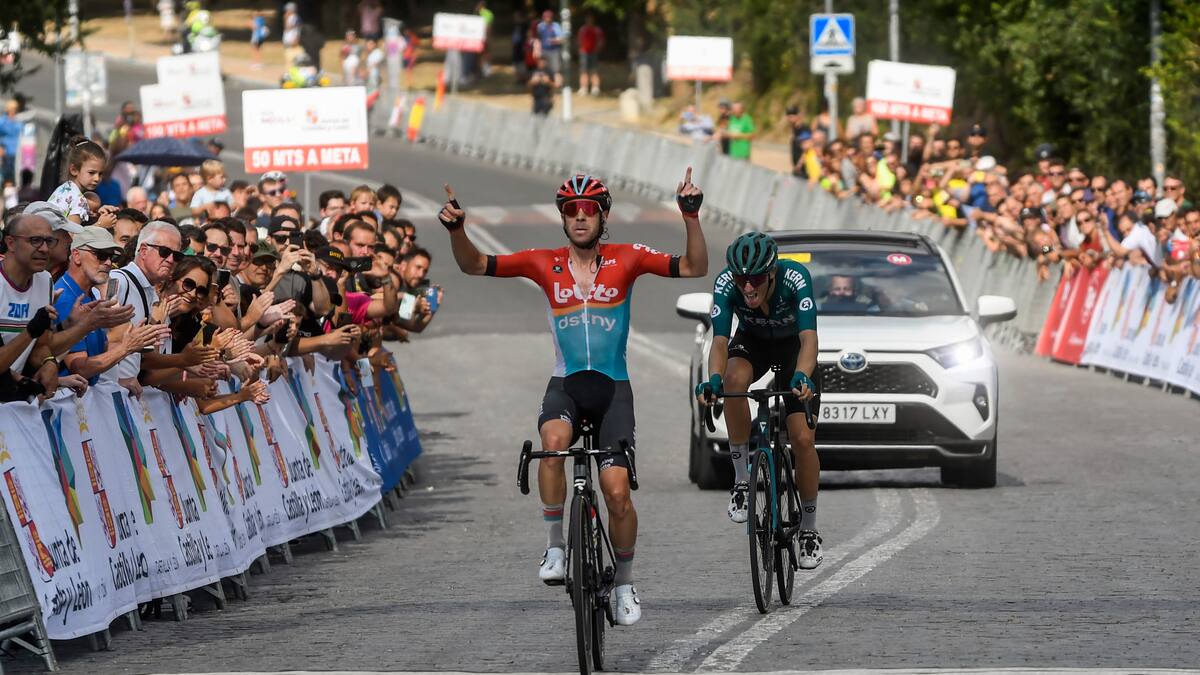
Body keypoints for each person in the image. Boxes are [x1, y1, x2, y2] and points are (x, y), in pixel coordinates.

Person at [436, 169, 708, 626]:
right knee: (552, 446)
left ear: (604, 217)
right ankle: (556, 548)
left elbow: (695, 267)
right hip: (565, 384)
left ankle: (623, 582)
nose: (580, 217)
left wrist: (691, 214)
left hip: (612, 389)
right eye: (570, 210)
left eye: (589, 210)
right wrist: (457, 230)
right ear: (562, 218)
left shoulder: (629, 258)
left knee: (617, 494)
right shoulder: (544, 263)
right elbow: (475, 265)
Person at [696, 231, 823, 570]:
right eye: (741, 279)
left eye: (754, 279)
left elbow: (810, 339)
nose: (747, 287)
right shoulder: (726, 283)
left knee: (802, 439)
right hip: (752, 342)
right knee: (735, 382)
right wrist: (713, 380)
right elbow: (720, 341)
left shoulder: (795, 277)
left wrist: (803, 376)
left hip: (794, 349)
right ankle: (740, 479)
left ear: (771, 273)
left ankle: (809, 530)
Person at [55, 227, 168, 385]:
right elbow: (79, 368)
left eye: (111, 256)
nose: (108, 262)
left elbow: (98, 352)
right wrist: (126, 347)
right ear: (76, 255)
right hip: (67, 401)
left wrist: (131, 341)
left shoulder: (91, 295)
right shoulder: (66, 298)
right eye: (101, 255)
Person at [48, 137, 107, 226]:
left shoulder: (64, 189)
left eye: (100, 173)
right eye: (91, 173)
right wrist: (100, 224)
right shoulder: (79, 200)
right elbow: (72, 237)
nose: (97, 178)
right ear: (74, 170)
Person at [577, 13, 604, 96]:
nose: (589, 21)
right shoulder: (582, 29)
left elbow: (600, 40)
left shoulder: (597, 29)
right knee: (583, 71)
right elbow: (579, 40)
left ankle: (595, 88)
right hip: (584, 52)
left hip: (593, 52)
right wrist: (580, 49)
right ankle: (583, 88)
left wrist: (597, 49)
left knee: (594, 71)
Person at [535, 10, 564, 86]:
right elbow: (538, 39)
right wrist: (537, 49)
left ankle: (558, 84)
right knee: (543, 68)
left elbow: (561, 39)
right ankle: (545, 84)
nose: (548, 19)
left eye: (549, 17)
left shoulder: (556, 26)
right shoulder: (540, 26)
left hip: (554, 51)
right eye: (546, 17)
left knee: (556, 69)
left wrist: (553, 40)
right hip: (544, 50)